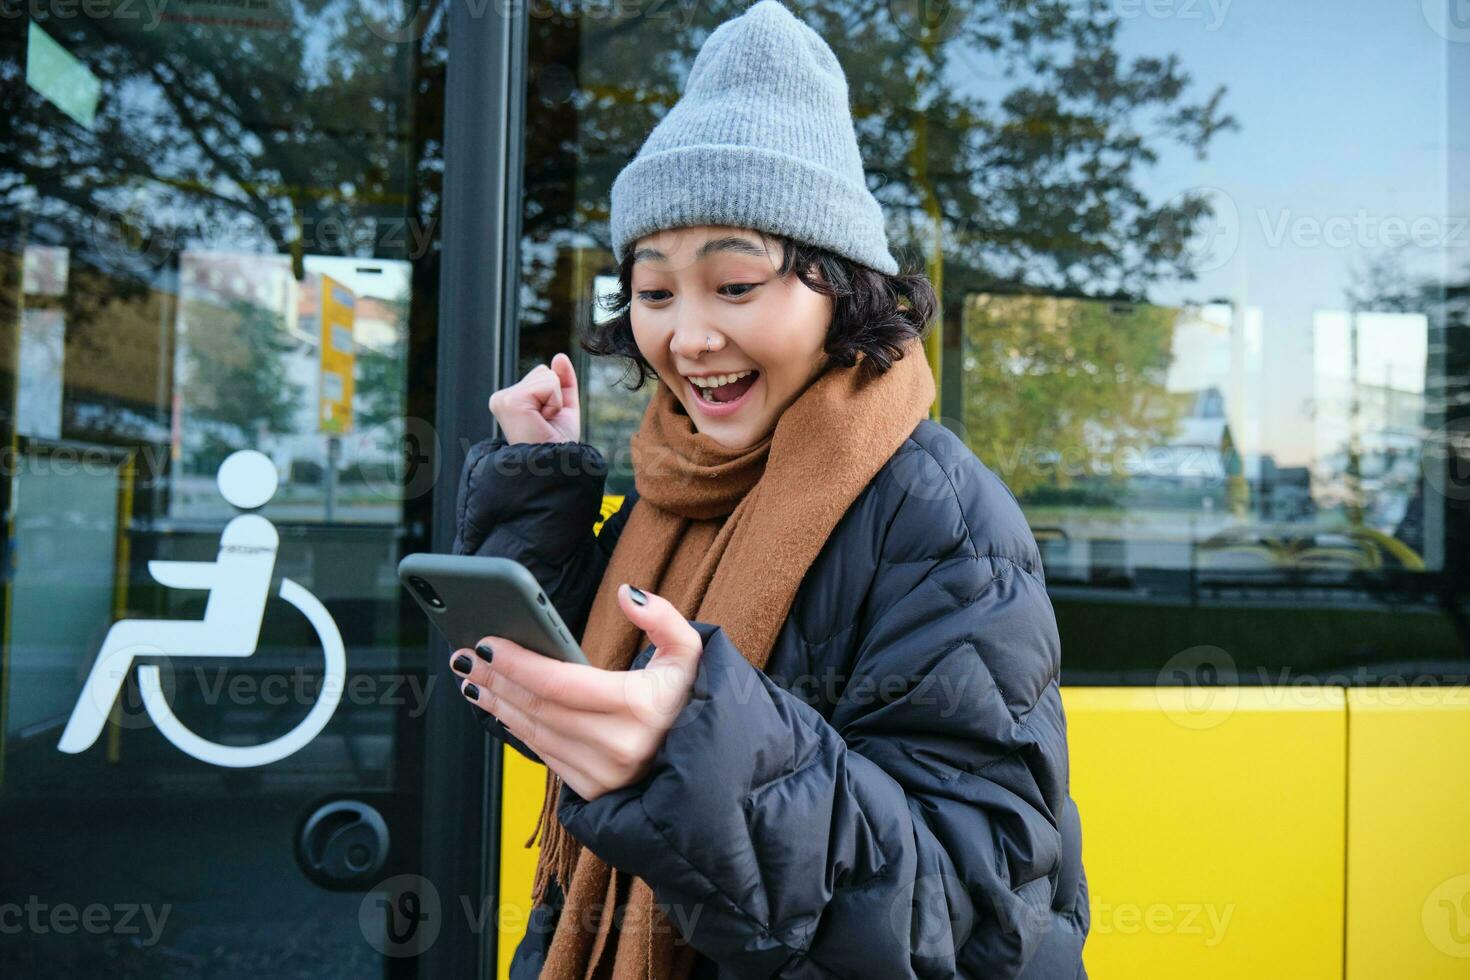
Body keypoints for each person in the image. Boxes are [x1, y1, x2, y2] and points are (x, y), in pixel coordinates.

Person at [447, 2, 1088, 977]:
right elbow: (586, 710)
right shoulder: (679, 479)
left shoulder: (937, 513)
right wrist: (539, 501)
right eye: (655, 292)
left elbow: (975, 910)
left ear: (841, 287)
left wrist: (700, 748)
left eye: (735, 285)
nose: (688, 335)